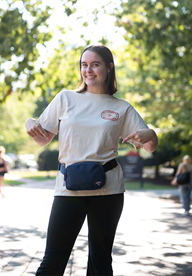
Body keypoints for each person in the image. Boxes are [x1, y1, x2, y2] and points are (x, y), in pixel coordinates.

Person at [25, 44, 158, 276]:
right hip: (68, 189)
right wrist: (29, 123)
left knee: (100, 263)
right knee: (53, 261)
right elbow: (42, 139)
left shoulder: (122, 108)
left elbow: (149, 147)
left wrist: (152, 134)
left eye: (95, 64)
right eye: (84, 65)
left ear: (109, 68)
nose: (88, 70)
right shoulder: (65, 98)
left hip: (108, 192)